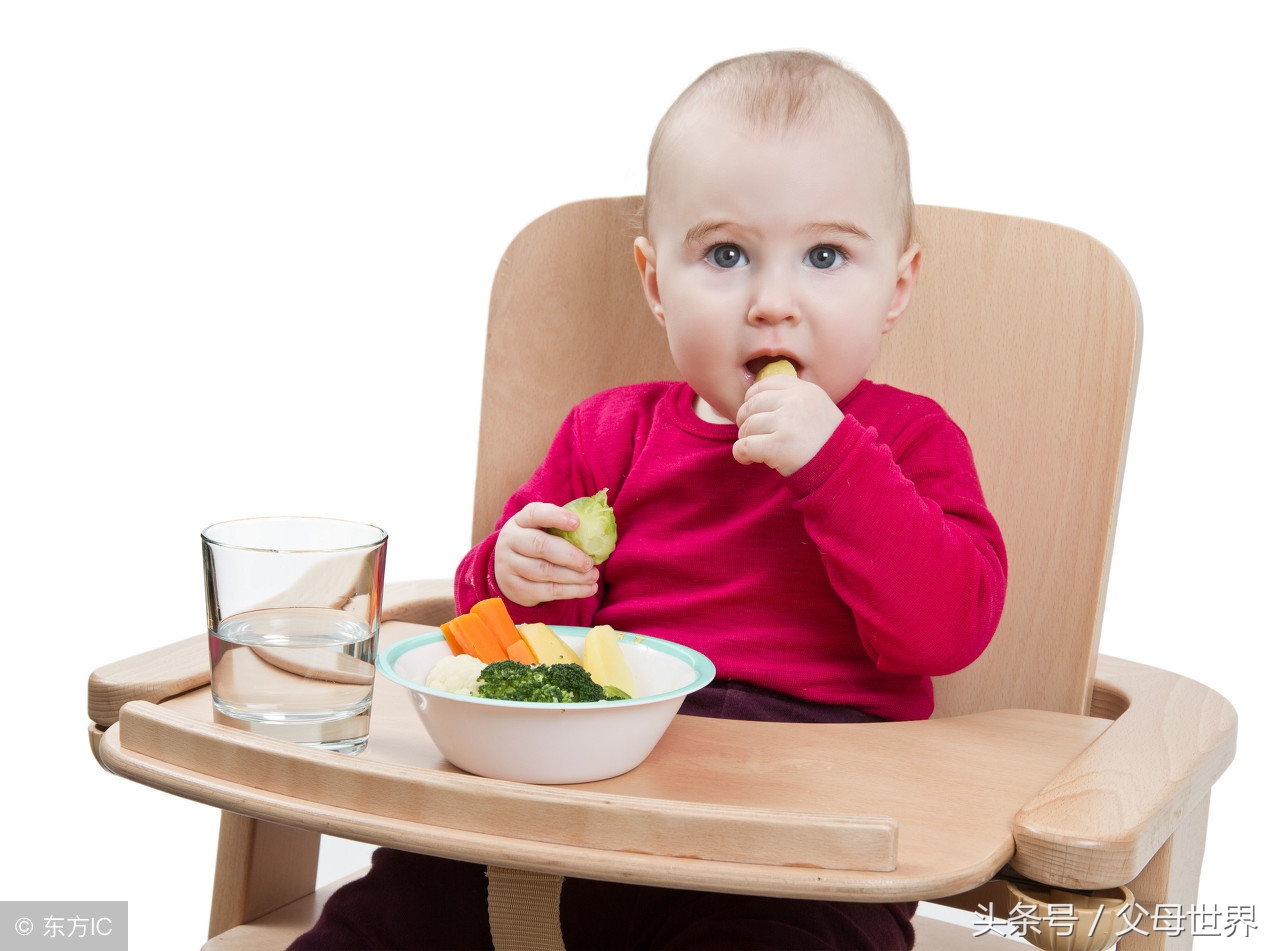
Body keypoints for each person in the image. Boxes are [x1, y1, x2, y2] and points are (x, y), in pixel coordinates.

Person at [292, 49, 1007, 950]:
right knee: (396, 900)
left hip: (798, 857)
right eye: (726, 254)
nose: (773, 302)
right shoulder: (609, 435)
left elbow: (948, 630)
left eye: (825, 255)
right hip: (571, 817)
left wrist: (834, 463)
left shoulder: (906, 443)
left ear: (896, 286)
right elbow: (507, 636)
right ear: (655, 280)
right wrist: (513, 569)